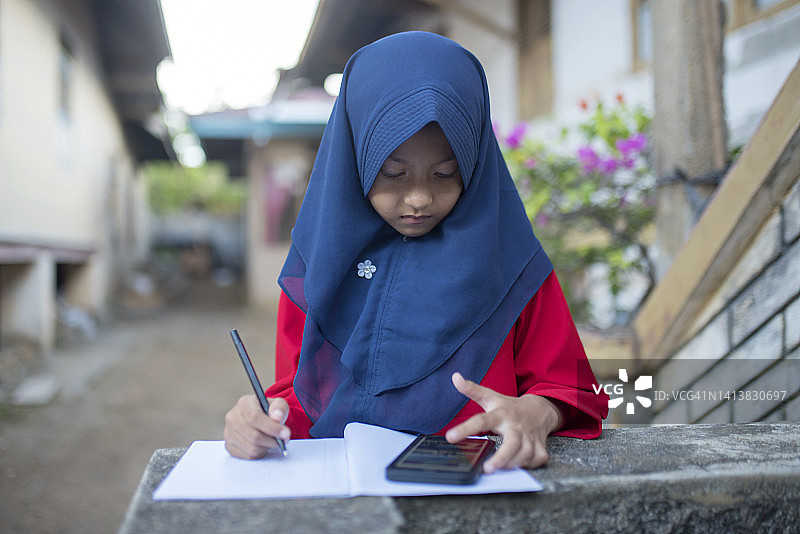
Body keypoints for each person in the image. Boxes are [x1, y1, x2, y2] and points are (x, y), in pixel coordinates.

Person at [224, 31, 608, 473]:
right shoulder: (320, 267)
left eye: (446, 173)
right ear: (355, 161)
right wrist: (257, 420)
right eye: (391, 174)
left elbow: (572, 390)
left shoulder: (514, 270)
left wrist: (537, 414)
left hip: (481, 496)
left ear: (476, 164)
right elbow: (303, 395)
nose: (419, 198)